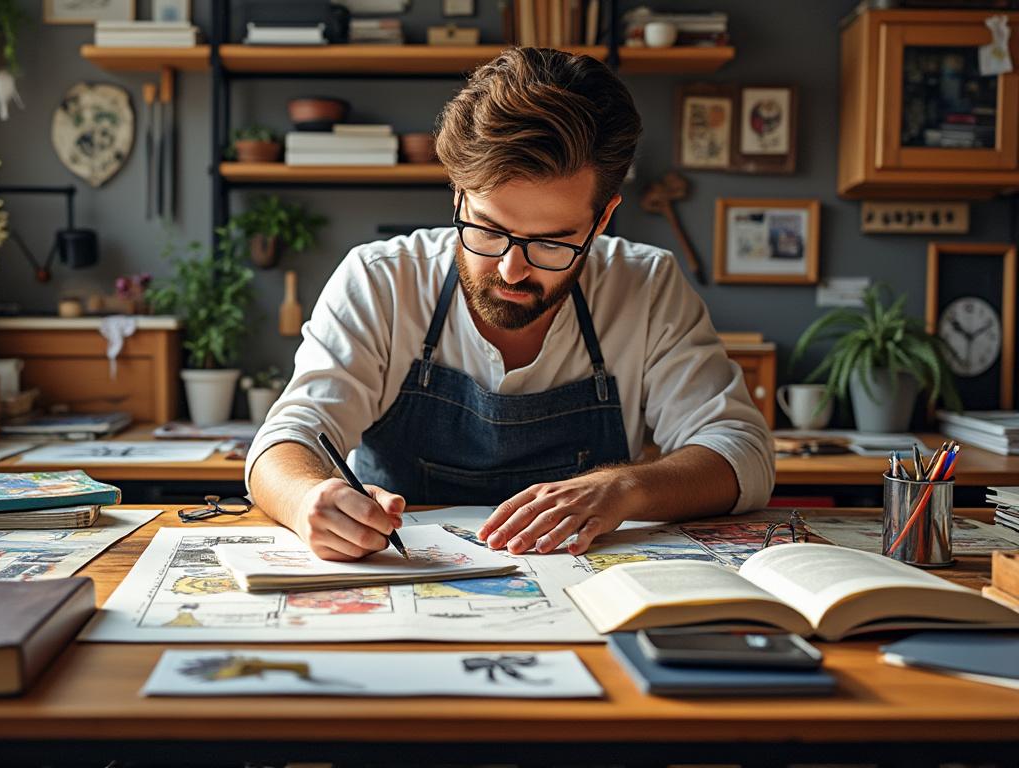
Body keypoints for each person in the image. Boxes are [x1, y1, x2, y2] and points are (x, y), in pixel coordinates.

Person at [246, 48, 774, 561]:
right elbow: (286, 439)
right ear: (458, 195)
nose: (510, 269)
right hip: (403, 576)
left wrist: (624, 488)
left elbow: (741, 452)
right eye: (489, 229)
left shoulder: (645, 286)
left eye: (551, 242)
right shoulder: (382, 279)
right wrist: (306, 499)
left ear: (603, 217)